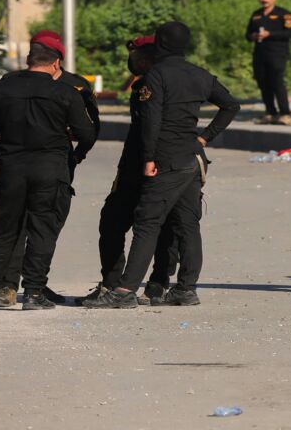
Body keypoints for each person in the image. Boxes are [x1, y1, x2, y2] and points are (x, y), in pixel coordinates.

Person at [84, 22, 240, 308]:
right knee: (187, 225)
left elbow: (151, 121)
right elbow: (231, 105)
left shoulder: (156, 75)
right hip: (191, 159)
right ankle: (185, 288)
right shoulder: (200, 74)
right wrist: (204, 139)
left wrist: (149, 159)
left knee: (147, 223)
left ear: (161, 44)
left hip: (164, 159)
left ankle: (124, 291)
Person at [0, 38, 96, 310]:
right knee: (42, 230)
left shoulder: (1, 90)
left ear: (28, 62)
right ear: (56, 64)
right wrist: (75, 156)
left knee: (2, 231)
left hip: (12, 169)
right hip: (50, 169)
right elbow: (87, 133)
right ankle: (33, 293)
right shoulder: (65, 93)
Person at [79, 36, 180, 307]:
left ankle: (158, 282)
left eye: (134, 57)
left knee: (161, 227)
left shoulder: (165, 83)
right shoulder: (141, 85)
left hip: (159, 166)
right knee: (111, 221)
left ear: (146, 58)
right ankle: (111, 283)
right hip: (131, 167)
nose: (130, 62)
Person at [247, 0, 291, 125]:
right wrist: (254, 36)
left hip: (277, 54)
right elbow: (247, 34)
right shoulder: (256, 15)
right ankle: (271, 112)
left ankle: (285, 114)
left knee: (277, 83)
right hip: (260, 54)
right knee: (263, 83)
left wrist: (270, 34)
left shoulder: (284, 14)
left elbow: (290, 33)